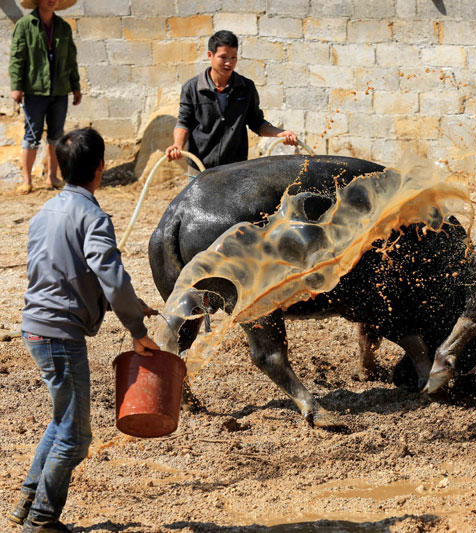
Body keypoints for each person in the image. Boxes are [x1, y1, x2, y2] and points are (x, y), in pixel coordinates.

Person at [8, 127, 160, 533]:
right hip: (60, 335)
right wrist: (136, 327)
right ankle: (42, 519)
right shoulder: (93, 216)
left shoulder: (45, 212)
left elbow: (66, 273)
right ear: (101, 169)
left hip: (36, 327)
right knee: (76, 437)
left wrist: (123, 303)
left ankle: (26, 502)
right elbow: (110, 275)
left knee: (62, 421)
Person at [165, 30, 298, 176]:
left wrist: (279, 133)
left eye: (233, 57)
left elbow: (256, 122)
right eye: (223, 57)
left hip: (235, 169)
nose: (229, 63)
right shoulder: (192, 88)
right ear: (210, 55)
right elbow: (184, 122)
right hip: (199, 168)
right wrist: (178, 145)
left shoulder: (246, 87)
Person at [9, 0, 82, 195]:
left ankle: (52, 177)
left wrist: (75, 87)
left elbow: (70, 60)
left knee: (56, 136)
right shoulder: (25, 25)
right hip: (35, 91)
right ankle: (27, 180)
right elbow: (17, 57)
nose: (52, 0)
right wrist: (16, 87)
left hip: (59, 90)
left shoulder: (63, 27)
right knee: (31, 136)